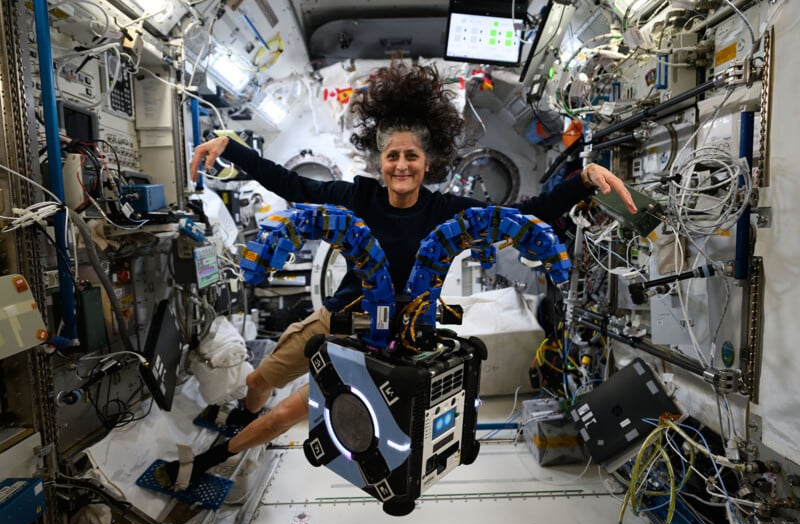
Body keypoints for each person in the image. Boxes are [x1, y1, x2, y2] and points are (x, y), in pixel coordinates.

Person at [155, 62, 636, 488]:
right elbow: (290, 183)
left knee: (285, 413)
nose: (401, 165)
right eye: (392, 156)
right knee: (260, 381)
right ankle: (239, 419)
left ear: (428, 162)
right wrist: (231, 147)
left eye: (411, 156)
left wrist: (583, 179)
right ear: (380, 161)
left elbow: (522, 212)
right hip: (335, 319)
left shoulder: (446, 210)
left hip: (383, 339)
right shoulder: (356, 199)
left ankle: (206, 463)